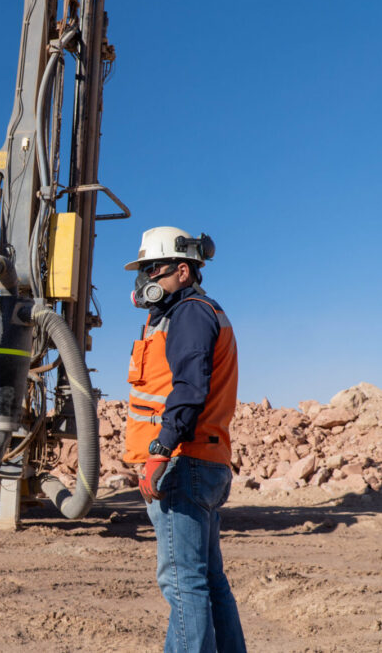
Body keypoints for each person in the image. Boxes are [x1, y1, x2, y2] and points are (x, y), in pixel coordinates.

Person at [123, 226, 247, 652]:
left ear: (182, 270)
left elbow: (189, 389)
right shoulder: (200, 312)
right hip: (206, 461)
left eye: (152, 270)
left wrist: (160, 450)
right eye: (142, 271)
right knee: (208, 581)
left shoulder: (190, 314)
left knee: (182, 584)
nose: (145, 281)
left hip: (183, 462)